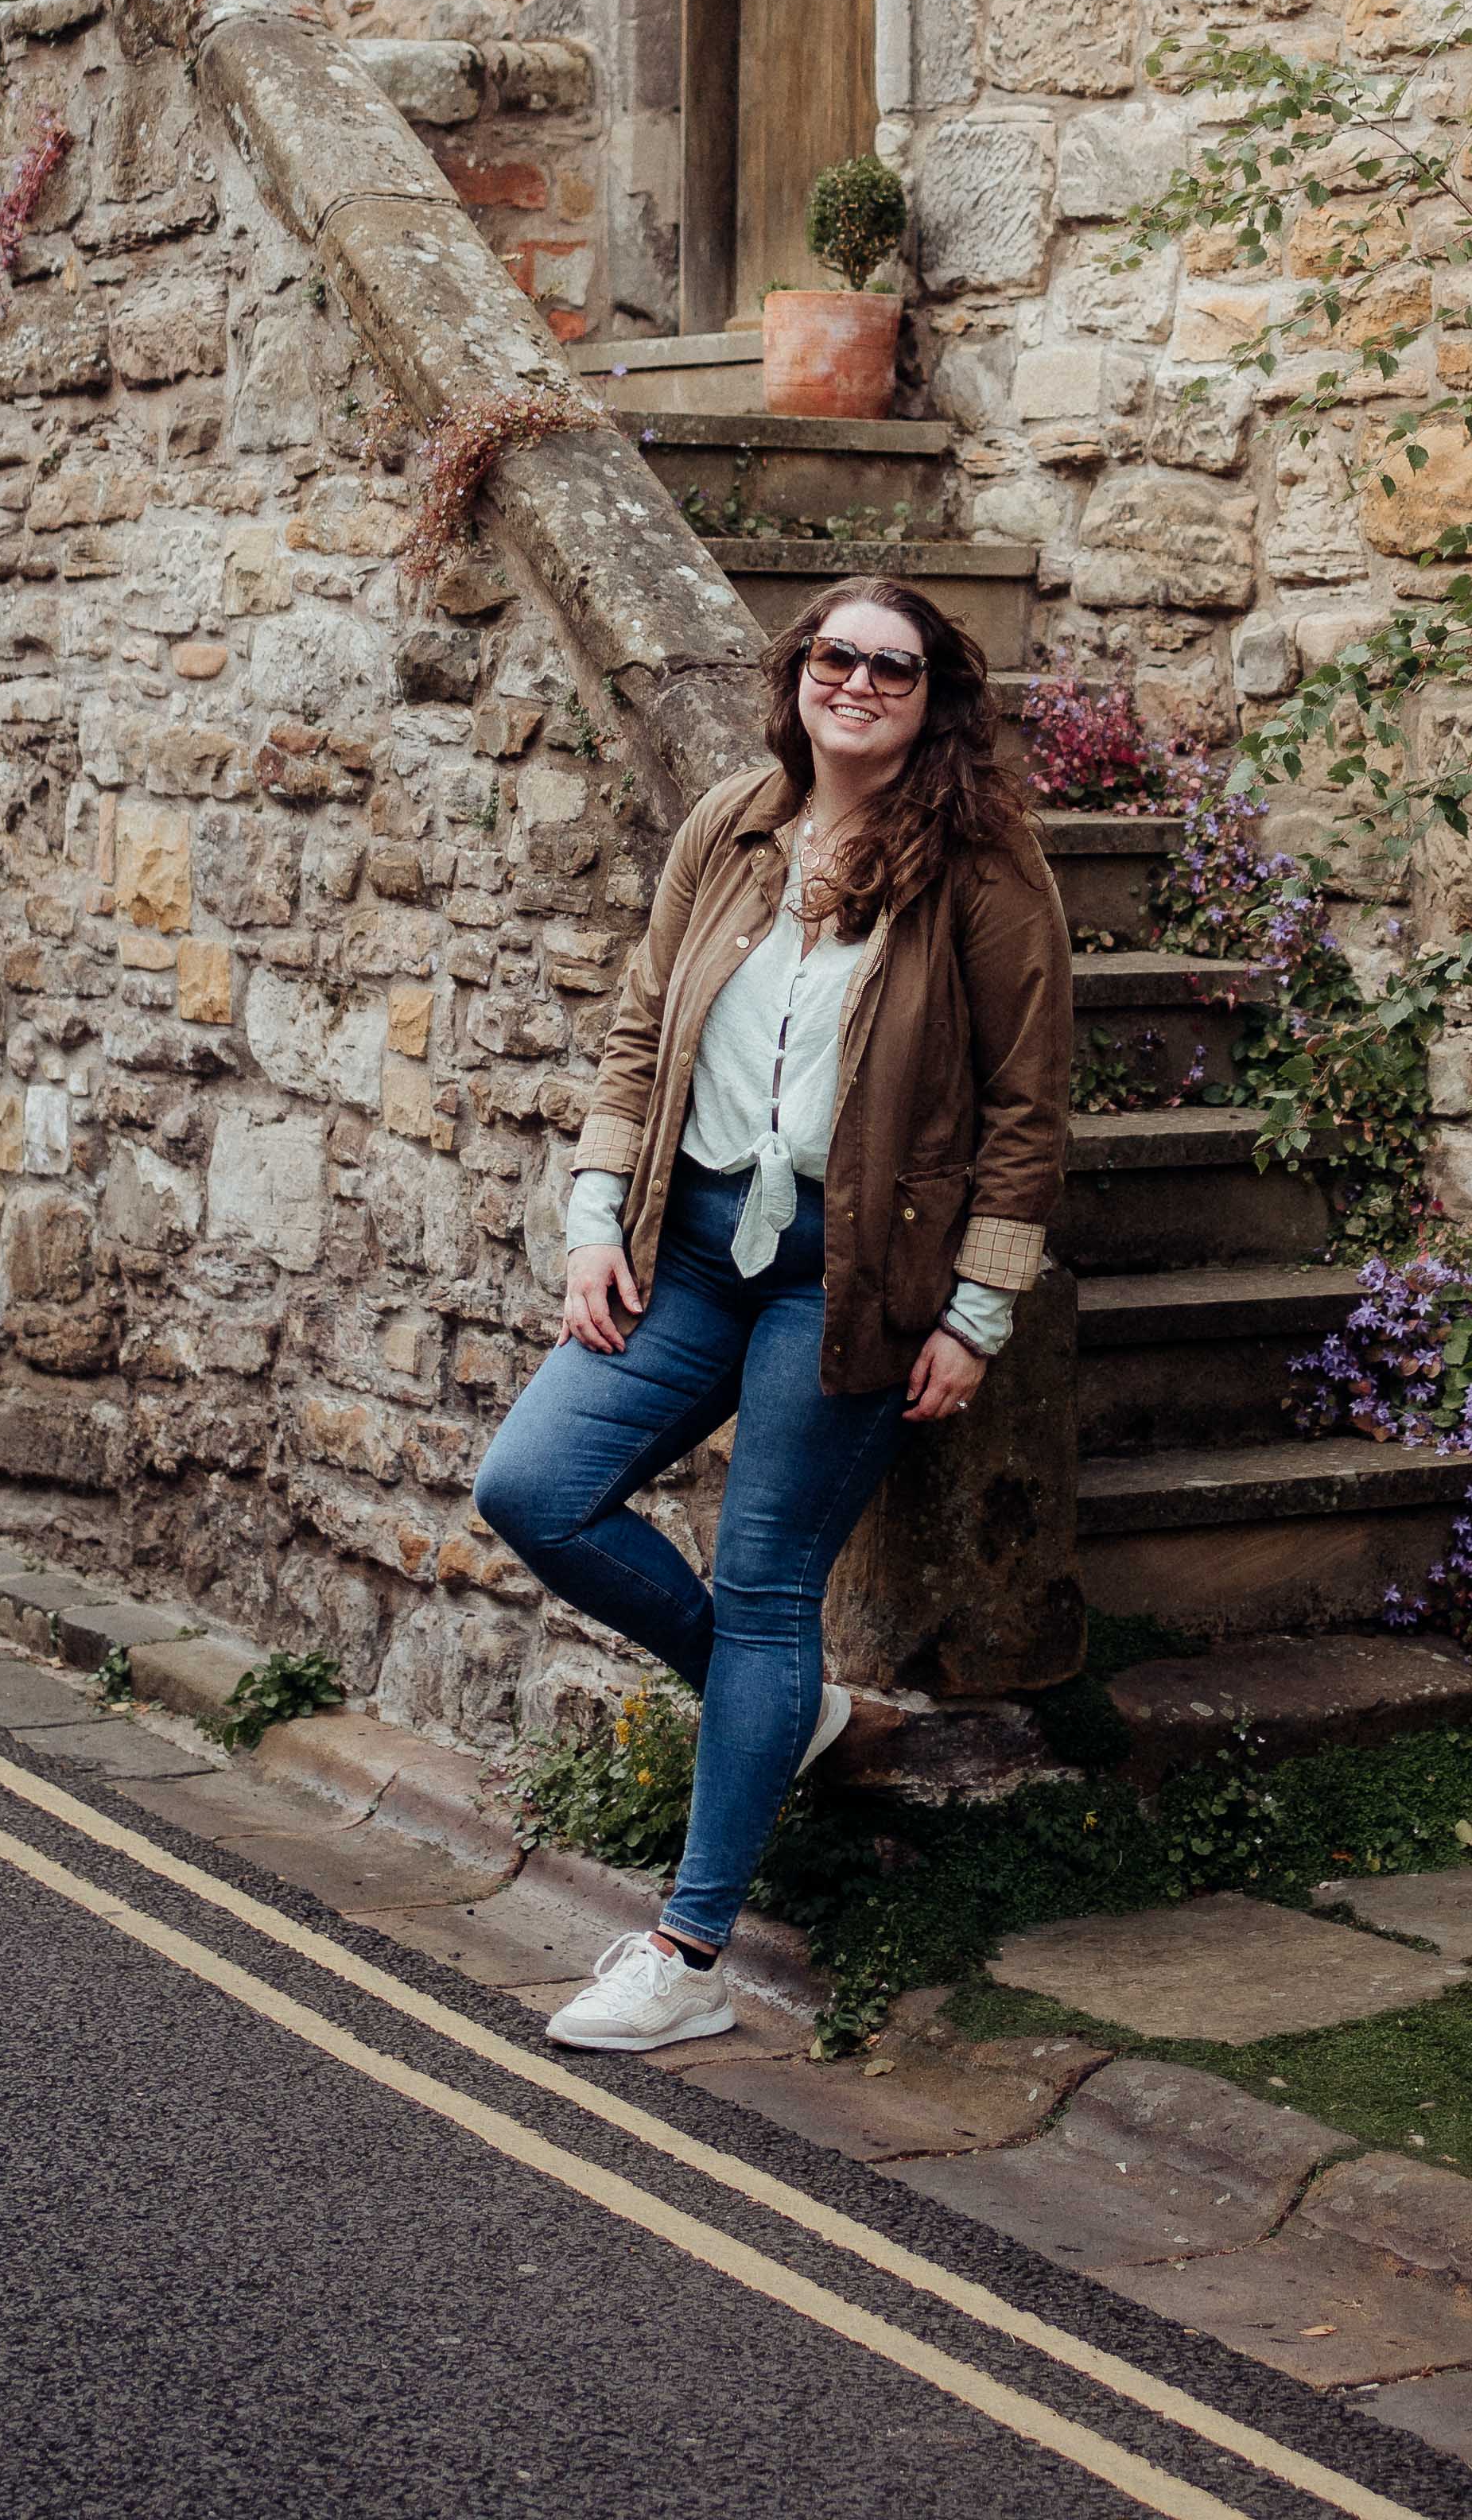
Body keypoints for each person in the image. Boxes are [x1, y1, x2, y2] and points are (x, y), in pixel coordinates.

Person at [471, 574, 1066, 2051]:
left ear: (936, 705)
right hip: (686, 1248)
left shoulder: (985, 869)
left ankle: (686, 1952)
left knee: (765, 1588)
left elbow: (1027, 1111)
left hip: (855, 1280)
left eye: (895, 669)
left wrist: (978, 1311)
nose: (858, 683)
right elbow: (638, 1023)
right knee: (533, 1487)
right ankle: (781, 1707)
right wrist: (596, 1217)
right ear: (798, 670)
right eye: (836, 656)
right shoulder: (731, 824)